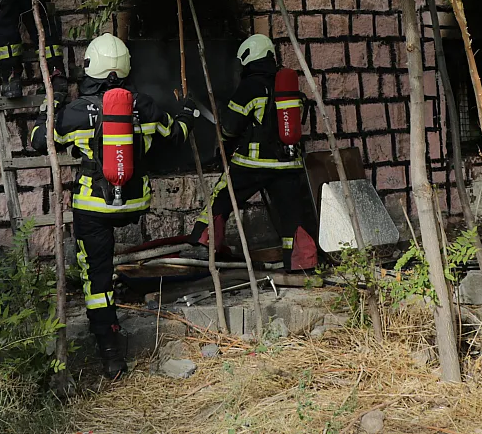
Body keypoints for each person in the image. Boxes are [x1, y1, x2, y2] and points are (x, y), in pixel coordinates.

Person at [31, 33, 198, 378]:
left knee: (96, 274)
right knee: (105, 262)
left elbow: (37, 139)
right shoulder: (147, 105)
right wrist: (188, 111)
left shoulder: (76, 113)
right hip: (136, 202)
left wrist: (53, 103)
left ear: (92, 70)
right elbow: (177, 135)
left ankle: (110, 351)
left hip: (94, 206)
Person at [187, 33, 318, 271]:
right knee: (293, 215)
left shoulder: (251, 86)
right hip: (288, 164)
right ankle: (302, 263)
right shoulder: (285, 84)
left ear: (248, 58)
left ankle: (204, 243)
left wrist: (224, 143)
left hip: (252, 164)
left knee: (222, 197)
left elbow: (230, 126)